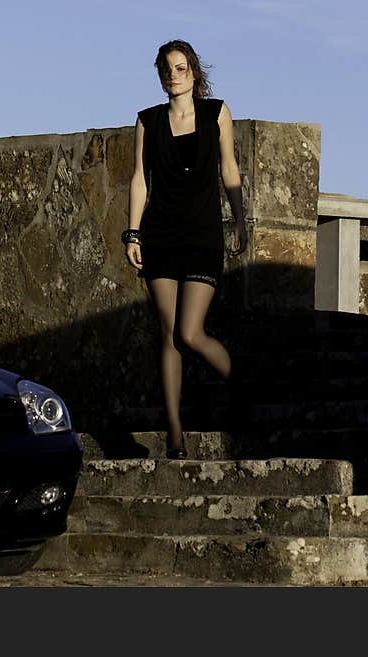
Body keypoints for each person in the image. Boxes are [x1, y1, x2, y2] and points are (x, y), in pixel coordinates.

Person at [124, 39, 247, 459]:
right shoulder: (148, 121)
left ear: (193, 71)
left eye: (180, 68)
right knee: (168, 336)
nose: (173, 75)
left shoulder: (217, 113)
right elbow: (140, 179)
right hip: (160, 236)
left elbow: (229, 169)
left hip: (202, 236)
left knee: (189, 333)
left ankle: (243, 391)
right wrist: (133, 233)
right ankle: (175, 434)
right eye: (167, 69)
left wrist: (240, 218)